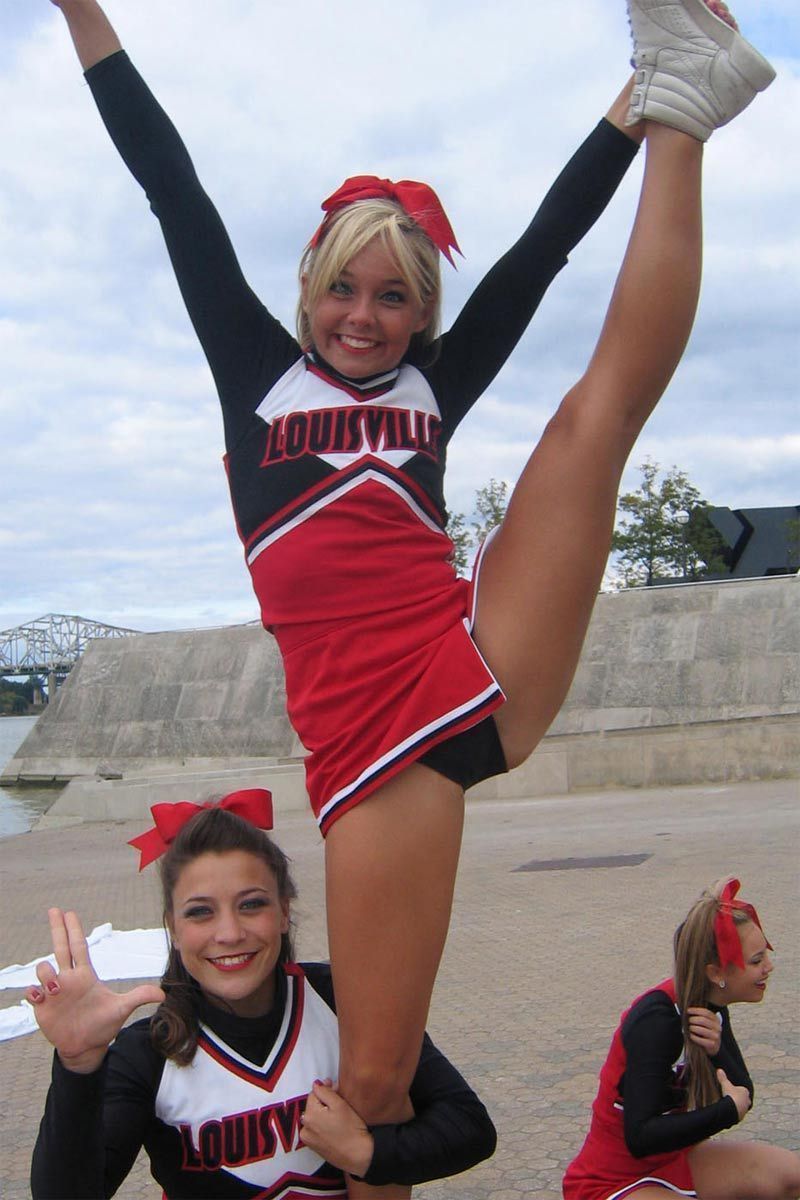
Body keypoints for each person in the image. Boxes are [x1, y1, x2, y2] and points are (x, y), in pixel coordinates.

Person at [47, 2, 775, 1194]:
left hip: (469, 657)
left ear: (423, 312)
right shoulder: (258, 379)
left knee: (595, 419)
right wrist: (83, 13)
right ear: (309, 286)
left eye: (393, 299)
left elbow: (540, 250)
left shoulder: (431, 393)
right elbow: (167, 182)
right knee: (372, 1096)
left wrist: (630, 109)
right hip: (382, 754)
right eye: (345, 290)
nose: (363, 317)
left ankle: (686, 105)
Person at [27, 791, 497, 1198]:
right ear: (172, 927)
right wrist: (78, 1066)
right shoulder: (148, 1050)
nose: (229, 933)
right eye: (200, 913)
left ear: (284, 911)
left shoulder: (342, 997)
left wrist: (366, 1152)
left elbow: (470, 1128)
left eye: (252, 904)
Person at [562, 878, 800, 1200]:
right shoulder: (657, 1020)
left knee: (792, 1177)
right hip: (613, 1179)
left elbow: (743, 1094)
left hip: (675, 1158)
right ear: (716, 973)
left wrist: (718, 1051)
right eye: (756, 961)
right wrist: (724, 1113)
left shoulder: (711, 1003)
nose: (769, 967)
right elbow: (640, 1136)